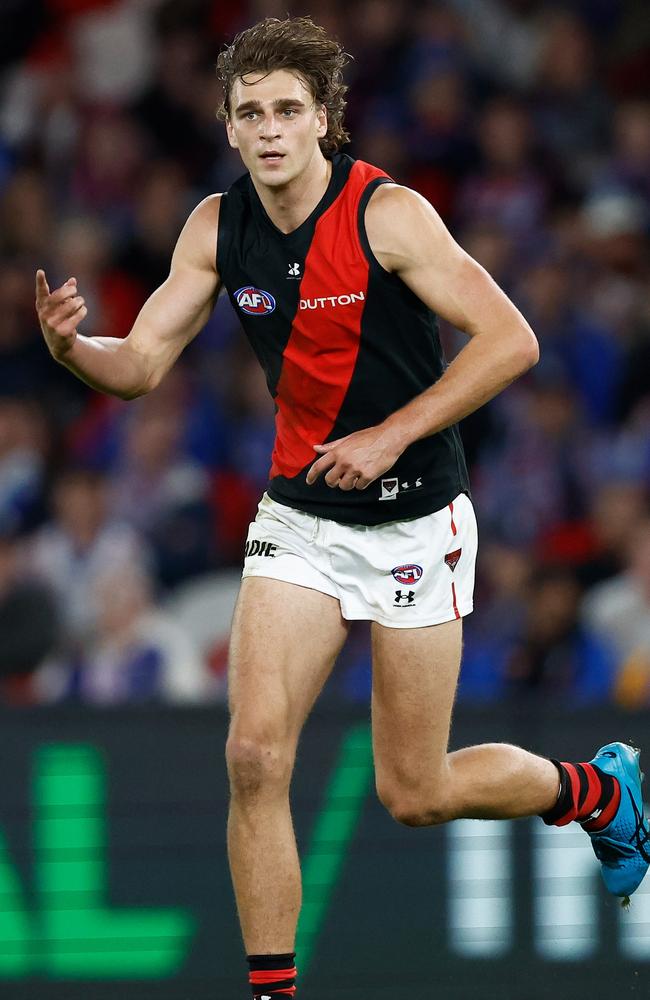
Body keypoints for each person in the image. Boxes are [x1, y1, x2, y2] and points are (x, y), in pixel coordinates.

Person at [35, 16, 649, 1000]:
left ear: (323, 119)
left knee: (415, 792)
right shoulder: (213, 227)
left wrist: (390, 434)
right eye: (249, 113)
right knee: (250, 753)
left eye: (287, 109)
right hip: (298, 518)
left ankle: (594, 791)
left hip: (414, 519)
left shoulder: (388, 214)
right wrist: (75, 351)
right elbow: (141, 364)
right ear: (229, 128)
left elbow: (510, 340)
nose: (269, 128)